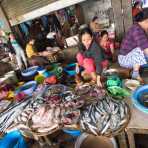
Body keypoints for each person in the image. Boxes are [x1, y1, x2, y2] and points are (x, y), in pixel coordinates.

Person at [118, 8, 148, 83]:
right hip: (124, 59)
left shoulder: (139, 27)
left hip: (130, 56)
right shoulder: (137, 30)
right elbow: (146, 50)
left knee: (141, 50)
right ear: (146, 21)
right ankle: (135, 75)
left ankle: (135, 71)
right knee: (140, 49)